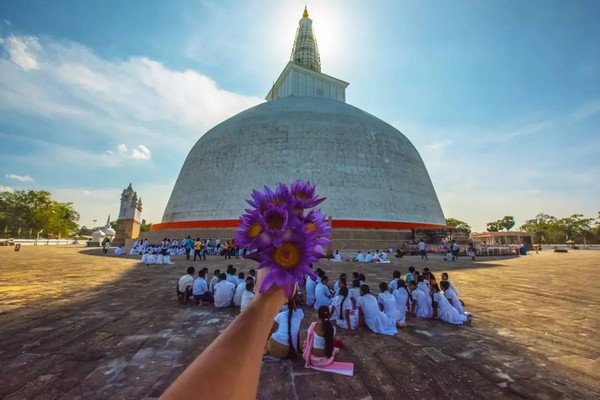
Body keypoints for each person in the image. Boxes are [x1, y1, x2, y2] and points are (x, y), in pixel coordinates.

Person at [302, 306, 353, 376]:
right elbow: (331, 342)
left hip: (313, 360)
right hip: (325, 361)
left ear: (318, 315)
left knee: (307, 343)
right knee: (334, 347)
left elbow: (309, 337)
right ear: (329, 315)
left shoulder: (313, 325)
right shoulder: (332, 328)